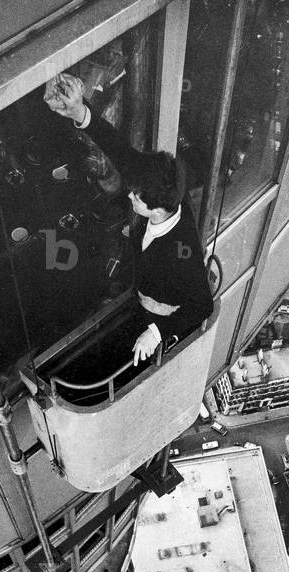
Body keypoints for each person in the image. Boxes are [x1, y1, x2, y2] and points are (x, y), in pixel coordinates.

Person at [44, 73, 213, 365]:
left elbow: (202, 305)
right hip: (141, 293)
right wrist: (78, 111)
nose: (130, 196)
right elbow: (115, 145)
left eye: (137, 197)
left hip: (161, 315)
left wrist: (156, 333)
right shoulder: (156, 182)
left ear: (157, 209)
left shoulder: (182, 251)